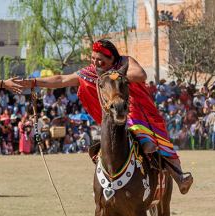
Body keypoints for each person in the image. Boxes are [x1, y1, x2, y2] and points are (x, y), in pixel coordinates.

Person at [18, 38, 192, 194]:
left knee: (150, 141)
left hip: (137, 110)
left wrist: (113, 77)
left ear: (112, 59)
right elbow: (62, 80)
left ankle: (179, 176)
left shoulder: (124, 62)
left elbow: (141, 75)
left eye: (100, 60)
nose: (96, 63)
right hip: (112, 116)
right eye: (93, 59)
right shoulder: (91, 73)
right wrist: (34, 82)